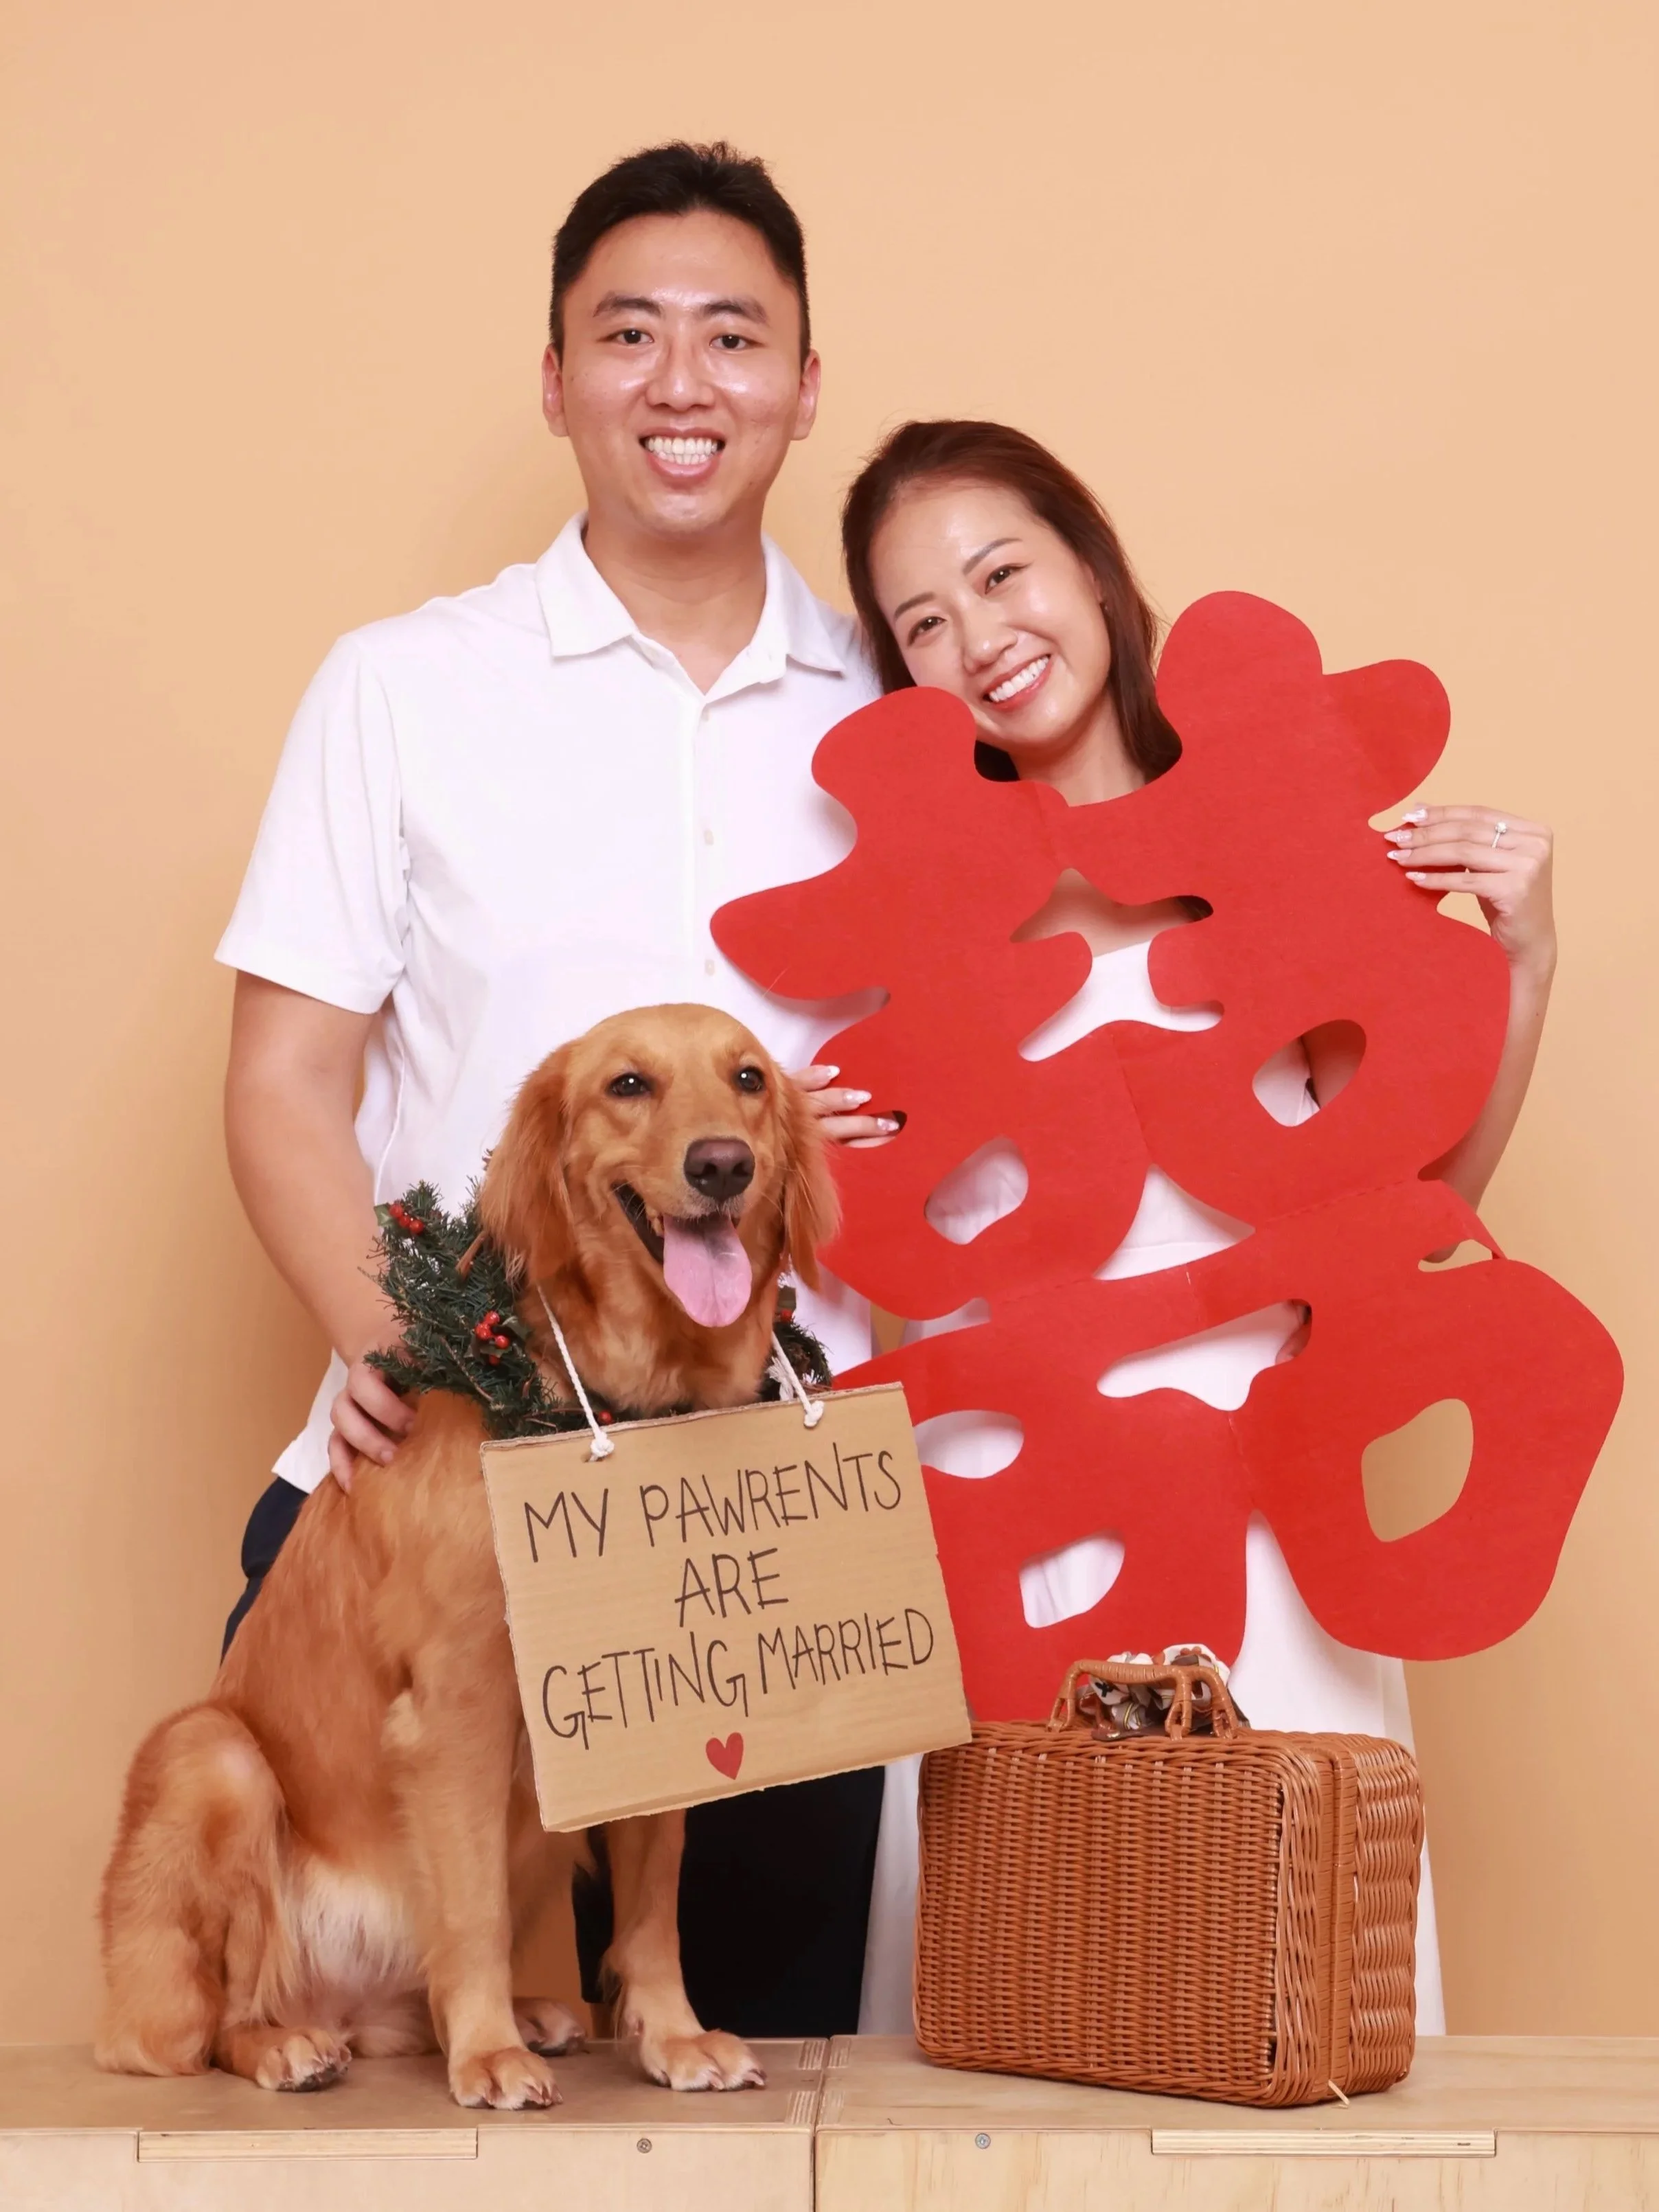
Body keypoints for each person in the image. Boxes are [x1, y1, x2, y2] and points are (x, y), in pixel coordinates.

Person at [214, 142, 897, 2039]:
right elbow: (283, 1075)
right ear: (557, 380)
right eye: (630, 336)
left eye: (734, 338)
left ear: (805, 386)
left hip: (767, 1524)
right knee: (351, 2075)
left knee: (760, 2081)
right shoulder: (406, 686)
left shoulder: (900, 721)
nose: (684, 383)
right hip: (448, 1481)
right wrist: (390, 1333)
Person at [837, 418, 1559, 2036]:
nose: (979, 638)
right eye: (921, 624)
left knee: (1289, 2004)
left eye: (999, 571)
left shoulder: (1279, 844)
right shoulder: (910, 919)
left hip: (1263, 1497)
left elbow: (1419, 1208)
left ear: (1089, 567)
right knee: (1002, 2007)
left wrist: (1517, 971)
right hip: (1003, 1511)